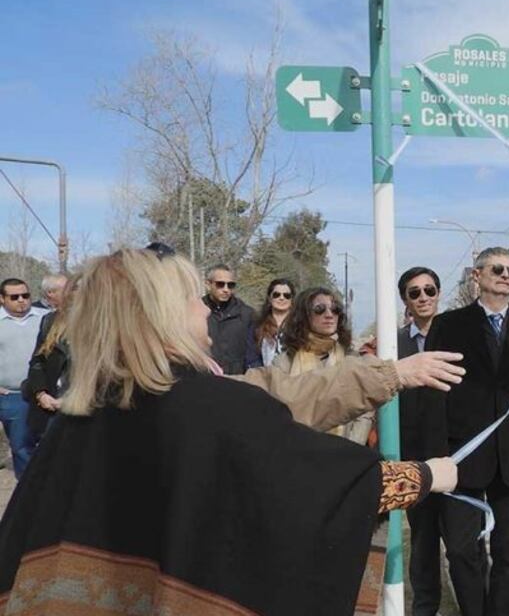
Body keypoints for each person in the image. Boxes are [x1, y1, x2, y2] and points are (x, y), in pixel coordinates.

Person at [0, 248, 461, 616]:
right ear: (163, 316)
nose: (205, 310)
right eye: (193, 299)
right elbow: (314, 485)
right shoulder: (207, 406)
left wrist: (391, 375)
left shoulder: (81, 417)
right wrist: (426, 476)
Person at [422, 246, 509, 616]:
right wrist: (437, 457)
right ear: (477, 276)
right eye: (497, 269)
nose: (505, 276)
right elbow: (433, 394)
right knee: (460, 550)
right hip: (462, 456)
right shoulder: (448, 324)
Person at [397, 266, 445, 616]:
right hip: (414, 455)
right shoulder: (393, 343)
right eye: (415, 293)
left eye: (429, 290)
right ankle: (426, 606)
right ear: (406, 300)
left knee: (463, 543)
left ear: (438, 293)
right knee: (424, 538)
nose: (423, 297)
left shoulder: (460, 337)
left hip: (457, 454)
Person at [274, 287, 373, 445]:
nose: (329, 315)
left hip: (344, 452)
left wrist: (351, 449)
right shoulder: (284, 363)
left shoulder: (351, 359)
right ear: (304, 315)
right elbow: (278, 415)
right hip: (297, 452)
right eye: (319, 309)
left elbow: (364, 412)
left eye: (335, 309)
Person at [21, 278, 77, 442]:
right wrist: (41, 393)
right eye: (68, 288)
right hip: (50, 405)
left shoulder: (97, 322)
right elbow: (37, 362)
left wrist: (71, 399)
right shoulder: (49, 321)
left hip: (80, 406)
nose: (73, 293)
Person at [0, 278, 45, 478]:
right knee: (20, 445)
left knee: (44, 443)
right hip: (12, 396)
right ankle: (29, 490)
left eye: (25, 296)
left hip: (44, 393)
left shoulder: (46, 318)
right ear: (2, 299)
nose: (21, 300)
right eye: (14, 297)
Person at [204, 263, 258, 375]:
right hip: (205, 378)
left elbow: (252, 353)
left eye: (230, 285)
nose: (226, 289)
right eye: (220, 284)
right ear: (208, 284)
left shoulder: (247, 314)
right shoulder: (197, 312)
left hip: (237, 379)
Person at [254, 278, 295, 367]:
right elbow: (252, 357)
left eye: (286, 295)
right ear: (269, 298)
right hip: (265, 376)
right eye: (276, 295)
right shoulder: (258, 325)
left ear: (292, 300)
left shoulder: (299, 326)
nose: (281, 298)